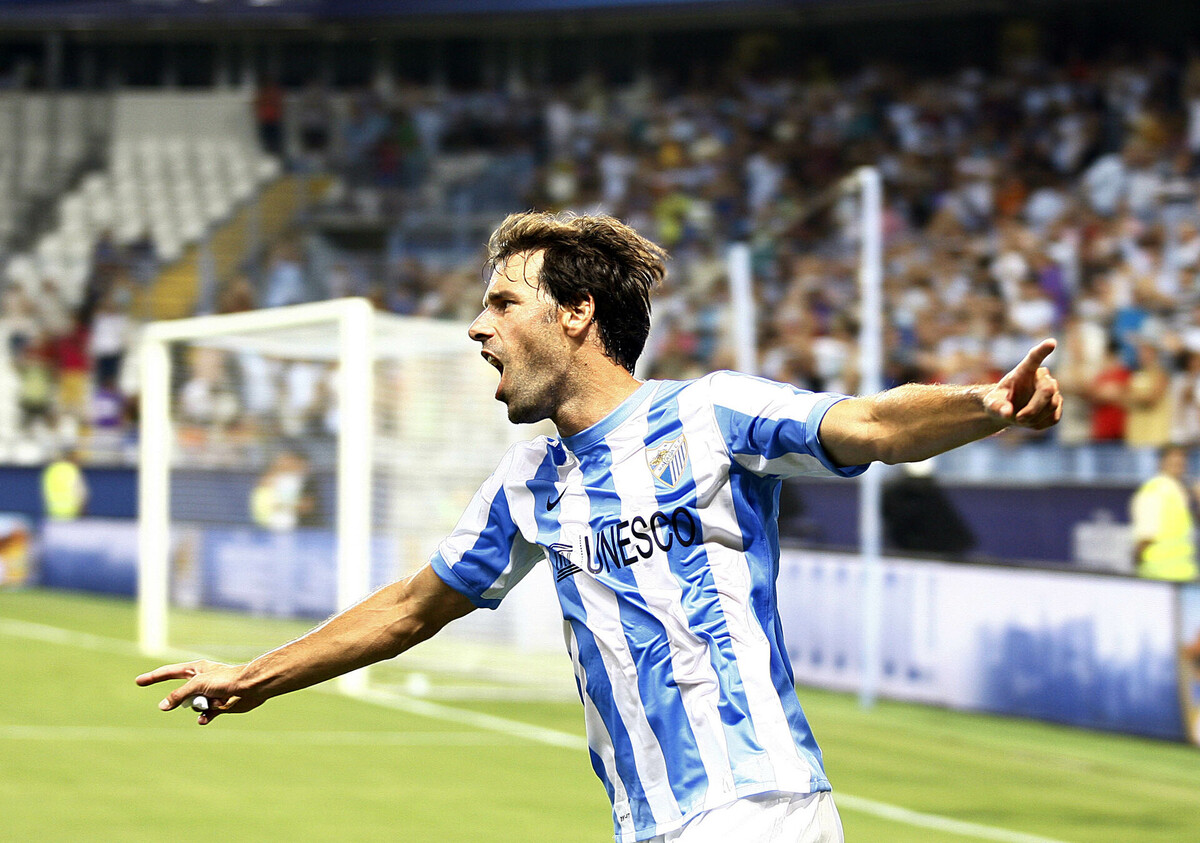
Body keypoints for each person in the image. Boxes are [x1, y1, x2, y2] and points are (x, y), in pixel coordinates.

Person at [137, 212, 1063, 843]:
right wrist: (256, 676)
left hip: (754, 805)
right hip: (647, 818)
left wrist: (984, 404)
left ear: (578, 314)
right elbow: (413, 607)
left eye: (502, 302)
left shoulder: (709, 414)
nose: (475, 327)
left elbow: (865, 424)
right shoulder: (529, 478)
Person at [1129, 444, 1200, 581]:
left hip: (1183, 571)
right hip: (1158, 573)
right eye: (1173, 460)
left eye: (1181, 460)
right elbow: (1145, 536)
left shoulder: (1180, 491)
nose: (1178, 464)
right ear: (1161, 462)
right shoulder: (1153, 490)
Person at [42, 448, 88, 521]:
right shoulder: (72, 469)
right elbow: (81, 493)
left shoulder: (50, 470)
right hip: (72, 514)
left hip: (52, 513)